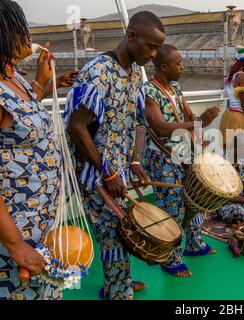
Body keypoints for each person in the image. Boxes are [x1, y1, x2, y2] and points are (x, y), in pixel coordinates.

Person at [65, 11, 165, 300]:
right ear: (131, 37)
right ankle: (118, 292)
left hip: (115, 169)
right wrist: (107, 172)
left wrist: (133, 161)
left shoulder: (134, 72)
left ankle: (118, 280)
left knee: (118, 229)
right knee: (113, 229)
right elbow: (77, 127)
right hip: (94, 172)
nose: (154, 54)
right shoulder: (99, 72)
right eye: (150, 46)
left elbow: (132, 121)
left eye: (157, 48)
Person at [0, 0, 76, 300]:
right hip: (13, 229)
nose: (28, 36)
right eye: (21, 29)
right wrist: (14, 244)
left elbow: (21, 117)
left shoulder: (13, 76)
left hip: (39, 222)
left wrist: (45, 82)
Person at [140, 44, 220, 277]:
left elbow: (189, 116)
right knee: (173, 207)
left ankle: (194, 244)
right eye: (178, 64)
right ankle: (170, 258)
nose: (183, 67)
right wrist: (198, 124)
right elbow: (160, 127)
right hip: (162, 158)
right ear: (164, 67)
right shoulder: (149, 93)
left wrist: (199, 132)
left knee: (193, 201)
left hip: (185, 154)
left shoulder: (175, 87)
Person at [220, 47, 244, 167]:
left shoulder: (232, 76)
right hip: (241, 117)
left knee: (233, 153)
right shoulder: (242, 77)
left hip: (231, 114)